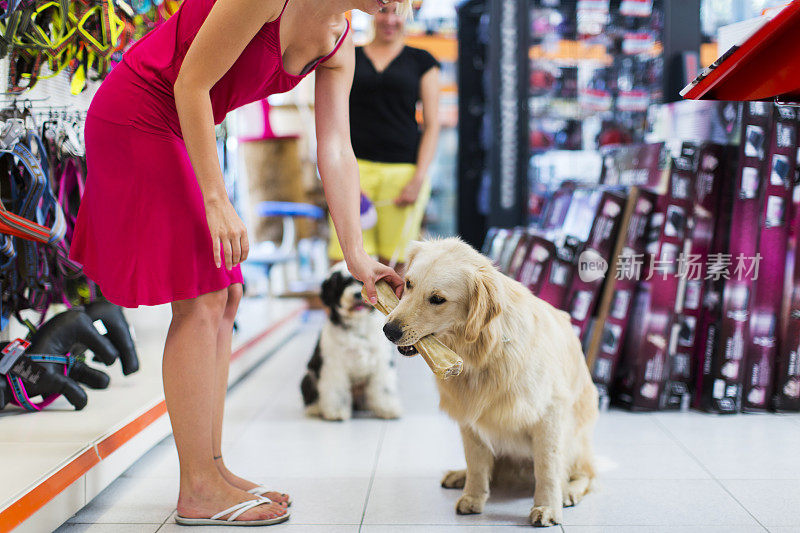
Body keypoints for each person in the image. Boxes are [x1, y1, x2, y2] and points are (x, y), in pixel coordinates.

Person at [70, 0, 406, 525]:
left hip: (181, 128)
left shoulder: (340, 41)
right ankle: (198, 488)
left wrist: (358, 256)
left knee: (228, 296)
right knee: (202, 297)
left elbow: (336, 148)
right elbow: (190, 85)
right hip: (139, 114)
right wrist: (215, 197)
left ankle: (213, 469)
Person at [328, 1, 440, 271]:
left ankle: (388, 316)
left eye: (397, 13)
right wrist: (340, 175)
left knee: (397, 265)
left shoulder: (422, 61)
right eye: (383, 11)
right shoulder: (348, 54)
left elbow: (432, 125)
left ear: (407, 17)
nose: (390, 20)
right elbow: (332, 120)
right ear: (371, 12)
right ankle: (351, 314)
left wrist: (418, 179)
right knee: (342, 261)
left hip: (402, 174)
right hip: (355, 169)